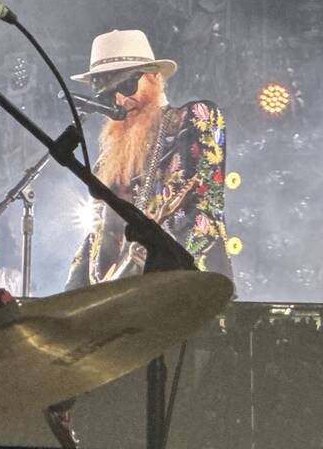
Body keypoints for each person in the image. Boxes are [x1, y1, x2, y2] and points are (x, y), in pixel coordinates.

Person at [65, 28, 233, 288]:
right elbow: (97, 237)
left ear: (154, 77)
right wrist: (70, 298)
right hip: (120, 302)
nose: (119, 99)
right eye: (108, 95)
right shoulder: (109, 158)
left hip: (184, 289)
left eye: (127, 85)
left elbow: (194, 212)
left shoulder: (192, 118)